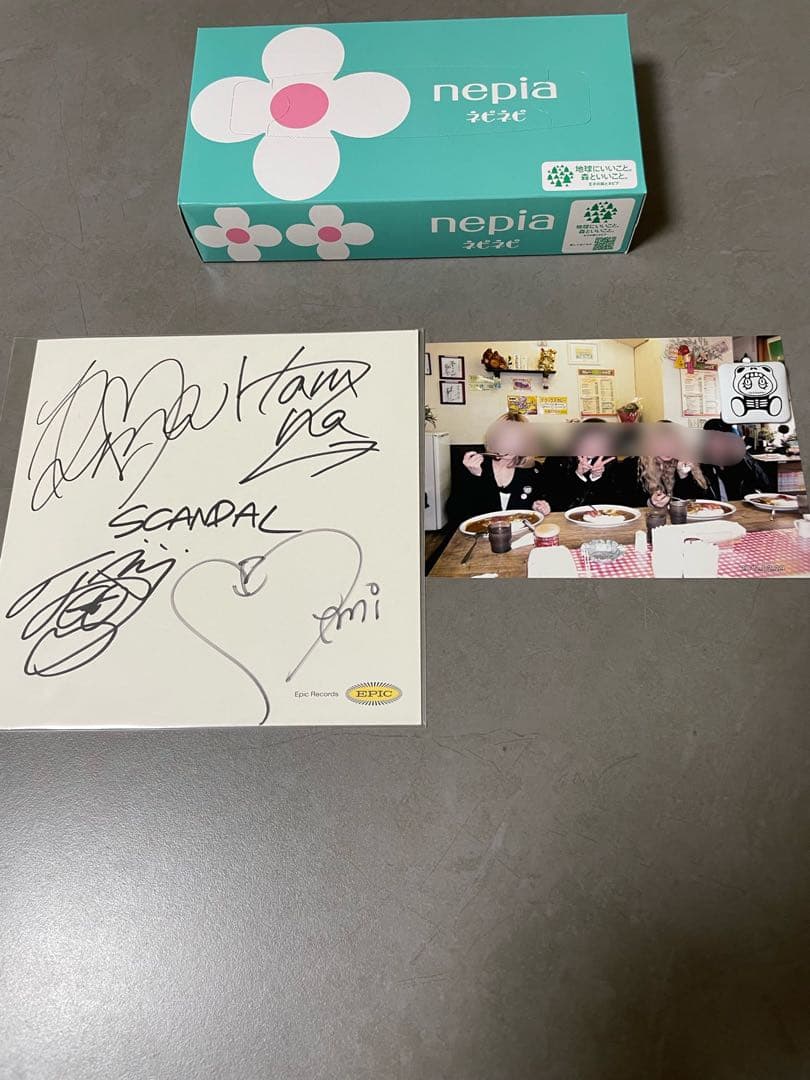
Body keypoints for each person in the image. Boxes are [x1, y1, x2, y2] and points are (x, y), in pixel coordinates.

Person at [446, 412, 552, 524]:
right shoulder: (473, 465)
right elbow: (455, 512)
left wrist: (539, 507)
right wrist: (475, 478)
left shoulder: (533, 470)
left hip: (521, 532)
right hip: (479, 532)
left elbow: (538, 504)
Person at [617, 421, 709, 507]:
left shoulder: (682, 462)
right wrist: (650, 502)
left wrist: (683, 476)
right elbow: (625, 501)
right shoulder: (632, 465)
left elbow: (696, 502)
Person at [542, 418, 621, 511]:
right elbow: (554, 499)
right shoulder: (556, 459)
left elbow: (612, 500)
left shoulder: (609, 459)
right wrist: (578, 476)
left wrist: (596, 477)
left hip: (597, 516)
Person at [698, 418, 770, 499]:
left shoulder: (741, 458)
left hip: (740, 503)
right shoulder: (702, 461)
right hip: (714, 505)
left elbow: (764, 484)